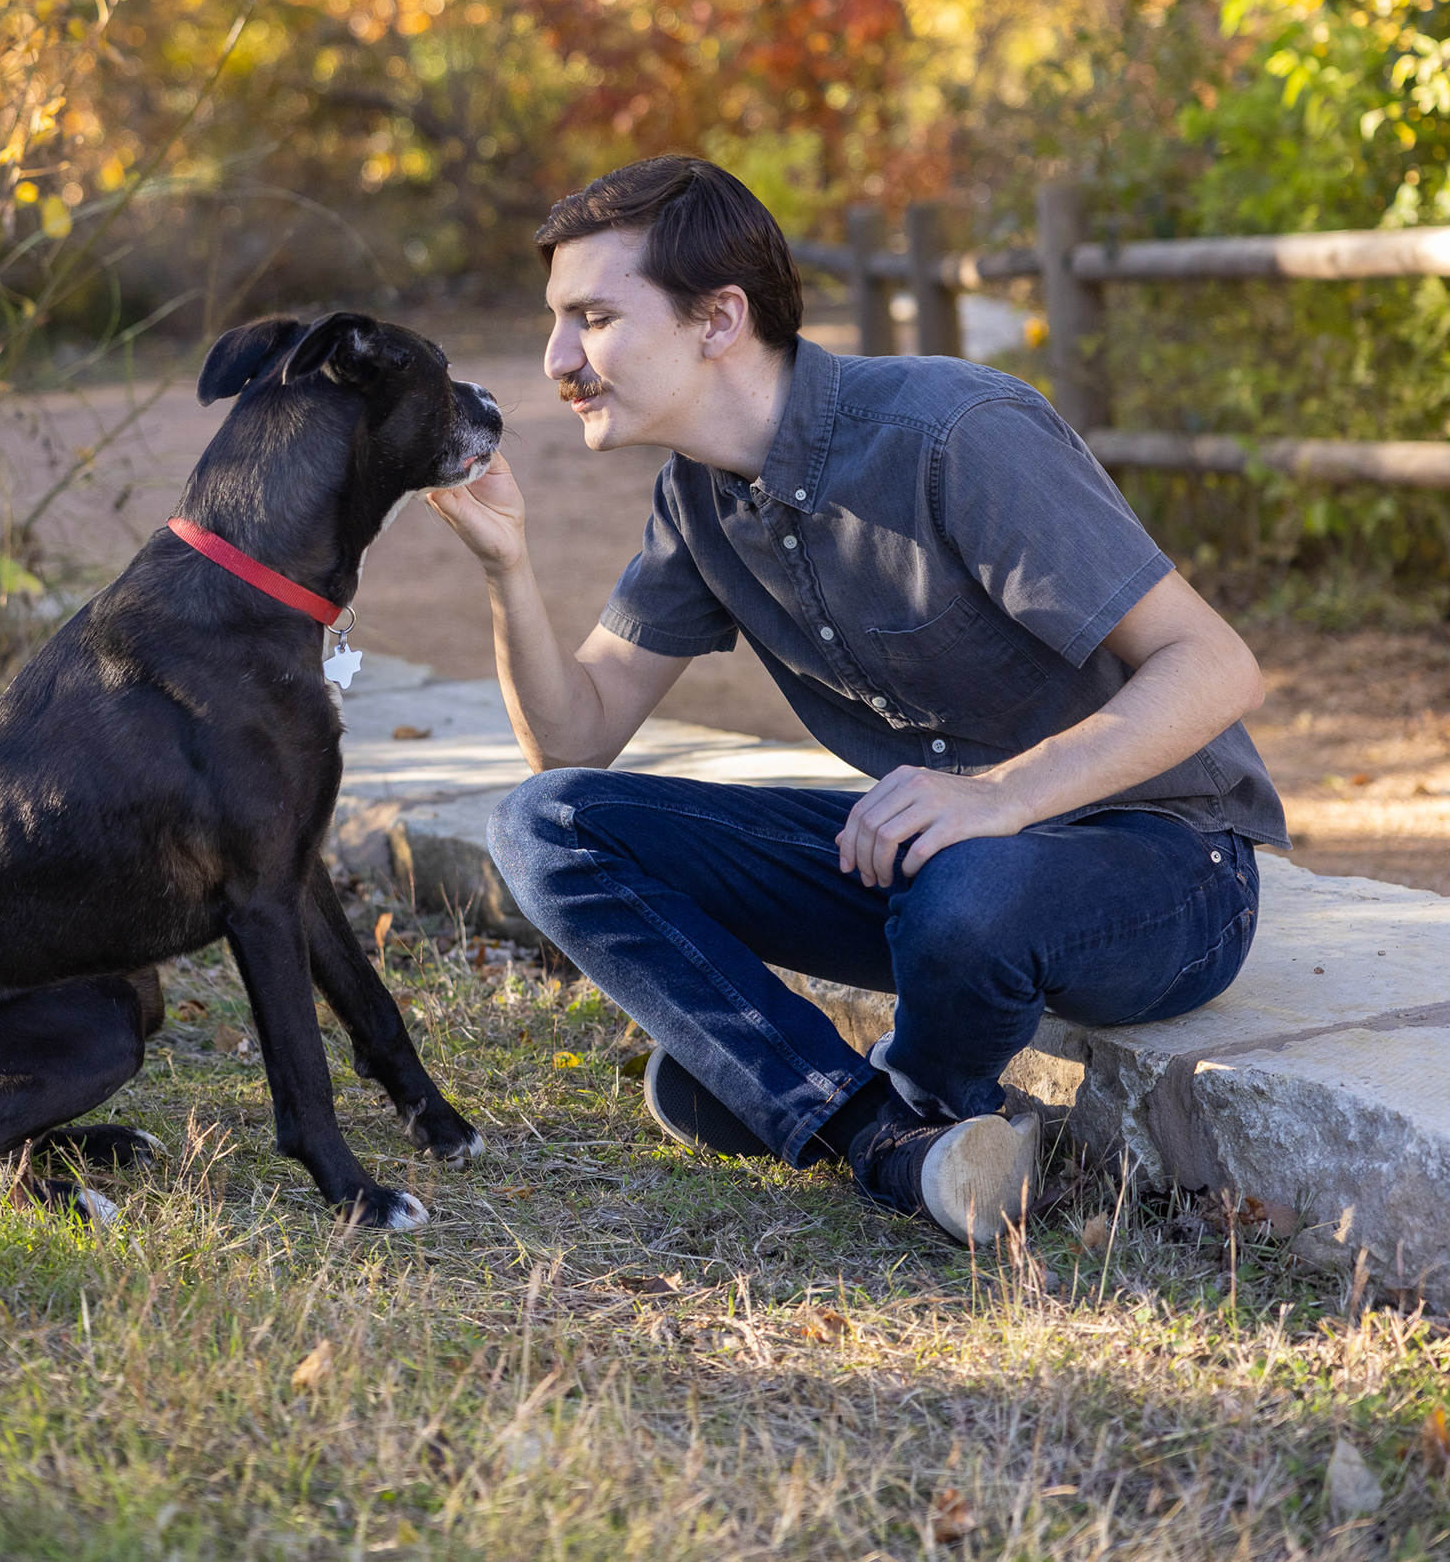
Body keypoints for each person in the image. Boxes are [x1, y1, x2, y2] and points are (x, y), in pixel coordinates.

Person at [426, 156, 1284, 1245]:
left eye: (592, 318)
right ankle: (876, 1131)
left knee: (969, 893)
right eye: (558, 321)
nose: (557, 360)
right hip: (937, 863)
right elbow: (571, 743)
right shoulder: (697, 499)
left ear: (717, 319)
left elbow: (1215, 664)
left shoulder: (954, 433)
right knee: (543, 824)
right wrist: (505, 564)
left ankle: (839, 1092)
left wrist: (998, 796)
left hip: (1168, 865)